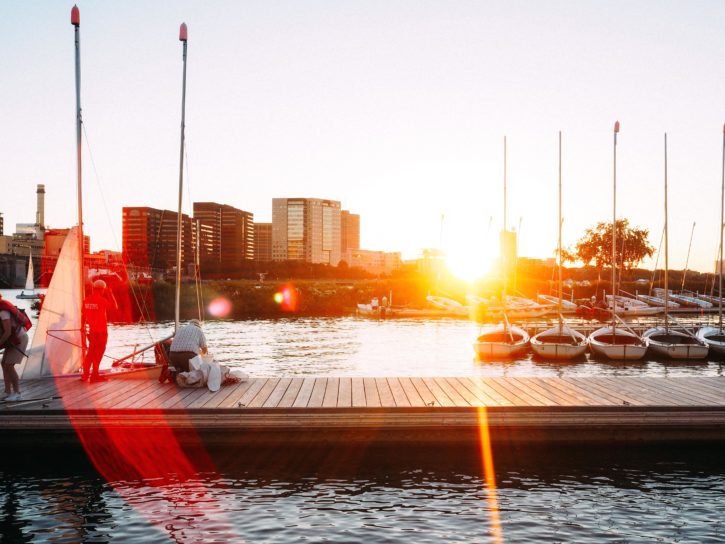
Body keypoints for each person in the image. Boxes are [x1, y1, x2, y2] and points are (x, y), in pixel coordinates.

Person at [82, 279, 118, 383]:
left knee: (90, 353)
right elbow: (115, 307)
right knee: (99, 353)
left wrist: (83, 328)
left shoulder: (86, 300)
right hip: (101, 332)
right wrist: (110, 294)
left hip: (92, 332)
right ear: (102, 290)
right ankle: (94, 375)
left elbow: (83, 314)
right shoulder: (102, 301)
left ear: (93, 289)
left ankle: (85, 375)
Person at [0, 293, 29, 401]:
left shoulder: (3, 312)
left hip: (20, 339)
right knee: (4, 363)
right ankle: (8, 392)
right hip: (13, 339)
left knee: (9, 365)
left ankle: (17, 393)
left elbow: (7, 332)